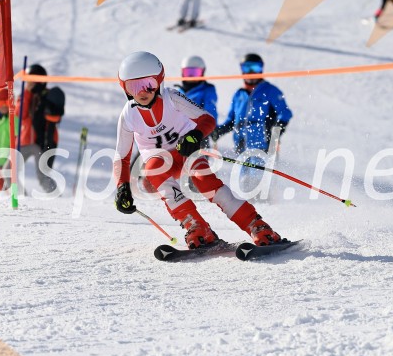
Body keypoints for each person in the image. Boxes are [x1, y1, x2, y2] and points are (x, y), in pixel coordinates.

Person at [113, 51, 283, 248]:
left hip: (186, 152)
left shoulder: (172, 98)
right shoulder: (128, 116)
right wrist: (122, 187)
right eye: (134, 86)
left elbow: (207, 119)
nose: (142, 92)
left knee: (205, 182)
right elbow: (121, 157)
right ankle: (197, 227)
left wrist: (195, 135)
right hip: (161, 162)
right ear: (125, 89)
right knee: (152, 169)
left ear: (159, 82)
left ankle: (256, 225)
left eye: (148, 84)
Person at [213, 54, 292, 195]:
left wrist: (278, 128)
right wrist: (218, 131)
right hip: (242, 145)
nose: (251, 72)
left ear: (261, 70)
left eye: (255, 67)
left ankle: (267, 203)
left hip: (263, 145)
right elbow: (231, 120)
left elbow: (285, 112)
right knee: (243, 183)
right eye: (247, 67)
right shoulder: (239, 94)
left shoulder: (270, 91)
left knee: (260, 183)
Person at [18, 64, 65, 193]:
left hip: (44, 142)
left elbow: (56, 117)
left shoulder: (50, 95)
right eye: (27, 80)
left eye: (31, 80)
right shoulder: (26, 96)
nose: (28, 83)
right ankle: (23, 200)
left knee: (43, 176)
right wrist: (27, 93)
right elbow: (20, 114)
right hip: (26, 140)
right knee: (9, 173)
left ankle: (56, 199)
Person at [175, 55, 217, 120]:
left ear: (202, 72)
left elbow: (210, 113)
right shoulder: (178, 92)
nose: (191, 77)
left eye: (195, 72)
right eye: (188, 72)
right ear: (182, 73)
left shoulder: (207, 91)